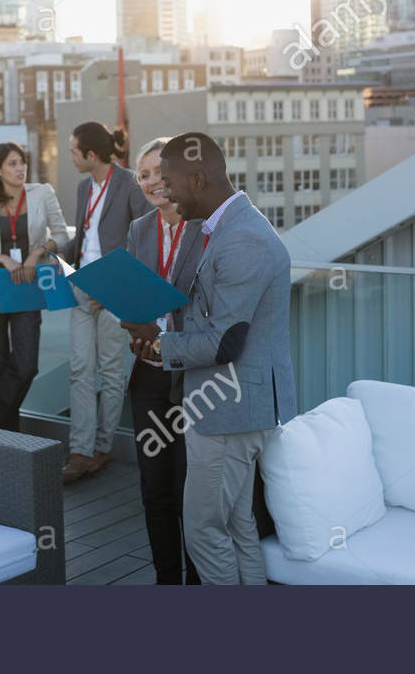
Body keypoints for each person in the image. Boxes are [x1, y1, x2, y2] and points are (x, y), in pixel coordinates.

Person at [122, 132, 296, 585]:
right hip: (229, 407)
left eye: (171, 180)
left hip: (228, 412)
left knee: (201, 532)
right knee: (239, 529)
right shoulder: (231, 228)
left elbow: (224, 342)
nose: (166, 191)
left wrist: (158, 341)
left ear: (197, 179)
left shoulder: (242, 240)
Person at [43, 121, 151, 484]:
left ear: (91, 154)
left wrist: (114, 284)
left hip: (112, 292)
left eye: (73, 151)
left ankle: (102, 449)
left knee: (109, 372)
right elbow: (84, 239)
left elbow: (143, 239)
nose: (70, 156)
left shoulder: (130, 183)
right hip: (81, 287)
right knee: (79, 369)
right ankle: (80, 450)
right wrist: (54, 250)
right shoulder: (83, 187)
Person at [125, 137, 203, 585]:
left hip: (193, 379)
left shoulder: (205, 228)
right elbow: (137, 296)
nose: (153, 181)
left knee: (188, 488)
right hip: (149, 374)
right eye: (144, 175)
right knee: (154, 489)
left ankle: (196, 579)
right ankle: (166, 579)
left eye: (158, 171)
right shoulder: (139, 230)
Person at [0, 142, 69, 431]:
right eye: (12, 163)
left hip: (27, 286)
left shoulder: (42, 193)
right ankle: (3, 439)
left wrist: (36, 254)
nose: (19, 168)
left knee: (25, 364)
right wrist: (2, 259)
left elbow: (61, 234)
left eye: (21, 162)